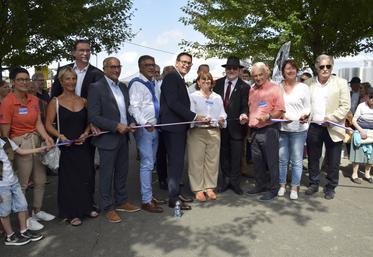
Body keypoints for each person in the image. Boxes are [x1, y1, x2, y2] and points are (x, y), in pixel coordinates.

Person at [0, 67, 55, 230]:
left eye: (26, 79)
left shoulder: (33, 99)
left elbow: (38, 122)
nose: (24, 82)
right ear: (13, 82)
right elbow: (4, 134)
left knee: (40, 180)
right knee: (22, 184)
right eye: (20, 79)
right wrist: (10, 157)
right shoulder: (7, 102)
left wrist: (46, 137)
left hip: (36, 141)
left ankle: (36, 211)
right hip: (19, 144)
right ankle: (24, 221)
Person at [51, 39, 103, 208]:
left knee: (88, 169)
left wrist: (92, 125)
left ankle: (89, 203)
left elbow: (99, 101)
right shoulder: (62, 71)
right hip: (66, 124)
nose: (85, 53)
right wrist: (56, 133)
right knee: (69, 171)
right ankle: (70, 207)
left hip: (86, 124)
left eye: (88, 50)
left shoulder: (97, 73)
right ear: (73, 52)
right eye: (81, 50)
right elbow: (54, 97)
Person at [87, 57, 139, 223]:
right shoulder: (96, 87)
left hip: (124, 137)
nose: (116, 70)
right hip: (108, 138)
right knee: (107, 175)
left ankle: (122, 201)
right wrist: (116, 126)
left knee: (122, 172)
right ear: (105, 69)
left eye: (118, 67)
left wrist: (131, 121)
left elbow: (127, 109)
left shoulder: (123, 87)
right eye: (112, 67)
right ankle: (108, 207)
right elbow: (93, 116)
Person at [45, 67, 98, 226]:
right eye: (67, 79)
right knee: (69, 180)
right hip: (65, 147)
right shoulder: (55, 102)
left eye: (74, 79)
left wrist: (85, 132)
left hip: (83, 145)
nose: (71, 82)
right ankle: (70, 213)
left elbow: (89, 122)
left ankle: (87, 207)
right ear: (61, 81)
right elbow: (48, 124)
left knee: (86, 177)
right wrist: (60, 136)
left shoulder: (83, 100)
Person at [160, 52, 206, 210]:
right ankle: (173, 199)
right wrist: (194, 116)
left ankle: (175, 193)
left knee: (177, 163)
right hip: (173, 128)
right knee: (175, 163)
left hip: (178, 127)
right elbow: (173, 103)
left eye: (189, 63)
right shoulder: (172, 77)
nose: (186, 65)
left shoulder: (178, 78)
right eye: (184, 62)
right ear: (177, 62)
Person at [304, 54, 350, 200]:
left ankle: (330, 187)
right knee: (313, 158)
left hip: (333, 127)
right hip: (314, 127)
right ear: (317, 67)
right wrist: (305, 115)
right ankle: (313, 183)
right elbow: (305, 105)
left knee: (334, 160)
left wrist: (331, 118)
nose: (325, 69)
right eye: (322, 66)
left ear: (332, 67)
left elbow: (345, 106)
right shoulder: (308, 84)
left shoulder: (341, 83)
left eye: (328, 66)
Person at [128, 55, 163, 213]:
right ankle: (146, 200)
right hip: (145, 130)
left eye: (152, 64)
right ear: (140, 67)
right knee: (147, 163)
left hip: (156, 128)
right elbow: (134, 108)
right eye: (146, 65)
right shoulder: (137, 84)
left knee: (151, 163)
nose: (150, 67)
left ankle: (149, 195)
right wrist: (144, 123)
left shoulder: (154, 82)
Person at [246, 62, 285, 201]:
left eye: (260, 75)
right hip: (255, 131)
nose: (257, 78)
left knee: (271, 161)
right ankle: (260, 185)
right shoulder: (252, 90)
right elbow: (250, 110)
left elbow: (280, 110)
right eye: (255, 76)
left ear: (266, 73)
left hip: (269, 130)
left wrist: (268, 116)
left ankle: (274, 189)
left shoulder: (276, 88)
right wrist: (249, 131)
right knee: (257, 161)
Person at [187, 71, 226, 201]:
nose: (206, 82)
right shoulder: (193, 96)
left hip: (214, 131)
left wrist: (221, 118)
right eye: (203, 80)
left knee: (212, 161)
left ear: (211, 82)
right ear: (198, 82)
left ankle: (209, 187)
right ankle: (198, 189)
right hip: (197, 131)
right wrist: (198, 119)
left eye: (208, 79)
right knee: (196, 161)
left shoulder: (217, 97)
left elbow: (223, 113)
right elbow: (190, 114)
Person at [0, 138, 46, 245]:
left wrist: (39, 149)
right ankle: (10, 236)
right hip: (2, 185)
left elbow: (20, 151)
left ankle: (24, 231)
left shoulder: (5, 140)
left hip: (13, 181)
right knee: (4, 211)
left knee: (22, 205)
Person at [214, 56, 249, 195]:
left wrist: (244, 114)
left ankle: (235, 182)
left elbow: (245, 105)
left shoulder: (245, 86)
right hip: (221, 127)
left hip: (237, 128)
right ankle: (226, 180)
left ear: (239, 70)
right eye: (229, 68)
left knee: (236, 156)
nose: (232, 70)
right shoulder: (216, 84)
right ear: (226, 69)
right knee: (224, 155)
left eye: (235, 68)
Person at [277, 60, 311, 200]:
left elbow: (308, 107)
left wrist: (305, 114)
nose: (290, 71)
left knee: (297, 160)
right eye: (287, 69)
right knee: (282, 159)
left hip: (299, 129)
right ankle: (282, 185)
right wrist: (282, 115)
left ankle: (295, 186)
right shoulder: (278, 87)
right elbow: (275, 106)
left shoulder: (303, 87)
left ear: (297, 70)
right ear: (283, 71)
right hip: (282, 128)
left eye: (293, 68)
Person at [156, 65, 175, 190]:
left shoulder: (179, 85)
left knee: (173, 155)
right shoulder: (158, 86)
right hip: (161, 125)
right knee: (161, 154)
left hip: (175, 125)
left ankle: (173, 179)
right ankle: (162, 178)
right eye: (167, 73)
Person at [349, 87, 373, 184]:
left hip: (372, 133)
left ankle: (367, 174)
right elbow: (354, 120)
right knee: (358, 155)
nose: (372, 99)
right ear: (367, 97)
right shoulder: (361, 106)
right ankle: (354, 174)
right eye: (371, 97)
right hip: (360, 131)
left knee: (371, 156)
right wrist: (361, 131)